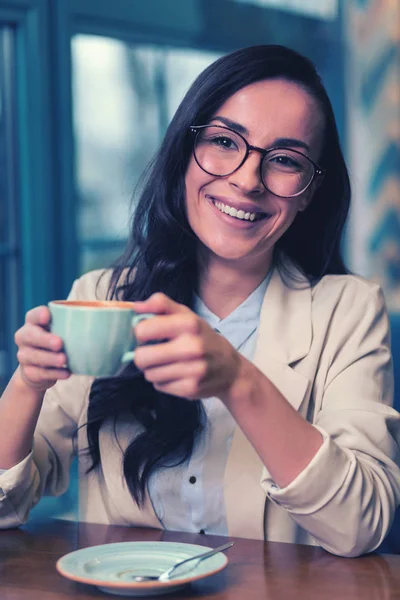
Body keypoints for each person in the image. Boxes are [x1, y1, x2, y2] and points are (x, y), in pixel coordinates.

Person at [0, 44, 399, 558]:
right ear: (184, 153)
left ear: (309, 191)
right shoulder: (101, 299)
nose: (246, 179)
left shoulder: (350, 310)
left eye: (283, 160)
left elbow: (361, 527)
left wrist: (238, 380)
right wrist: (28, 382)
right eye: (224, 142)